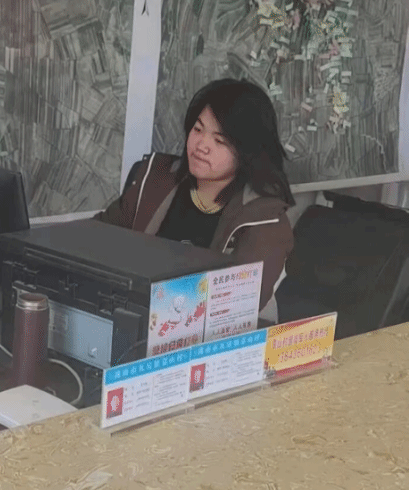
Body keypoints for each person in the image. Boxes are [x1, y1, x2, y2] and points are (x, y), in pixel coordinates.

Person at [97, 78, 295, 320]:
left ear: (248, 152)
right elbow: (98, 237)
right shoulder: (156, 179)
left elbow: (231, 305)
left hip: (214, 334)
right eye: (198, 130)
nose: (201, 145)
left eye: (220, 141)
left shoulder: (265, 219)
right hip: (132, 315)